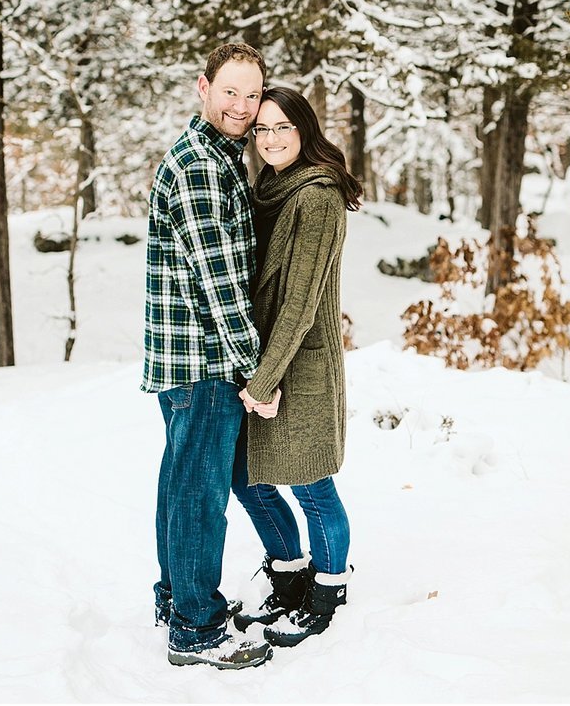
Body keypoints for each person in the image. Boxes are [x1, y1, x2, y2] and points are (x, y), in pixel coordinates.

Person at [145, 42, 275, 670]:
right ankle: (196, 630)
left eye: (253, 95)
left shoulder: (219, 159)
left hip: (186, 360)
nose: (244, 107)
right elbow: (219, 279)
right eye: (232, 91)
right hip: (203, 360)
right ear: (204, 88)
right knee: (199, 495)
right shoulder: (200, 164)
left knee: (182, 485)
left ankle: (178, 598)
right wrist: (255, 367)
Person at [228, 86, 361, 647]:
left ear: (305, 129)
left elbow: (303, 302)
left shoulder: (318, 197)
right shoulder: (269, 188)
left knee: (311, 484)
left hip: (300, 362)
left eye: (283, 127)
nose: (272, 138)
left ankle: (327, 591)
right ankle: (288, 578)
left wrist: (266, 378)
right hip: (265, 354)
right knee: (247, 477)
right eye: (261, 129)